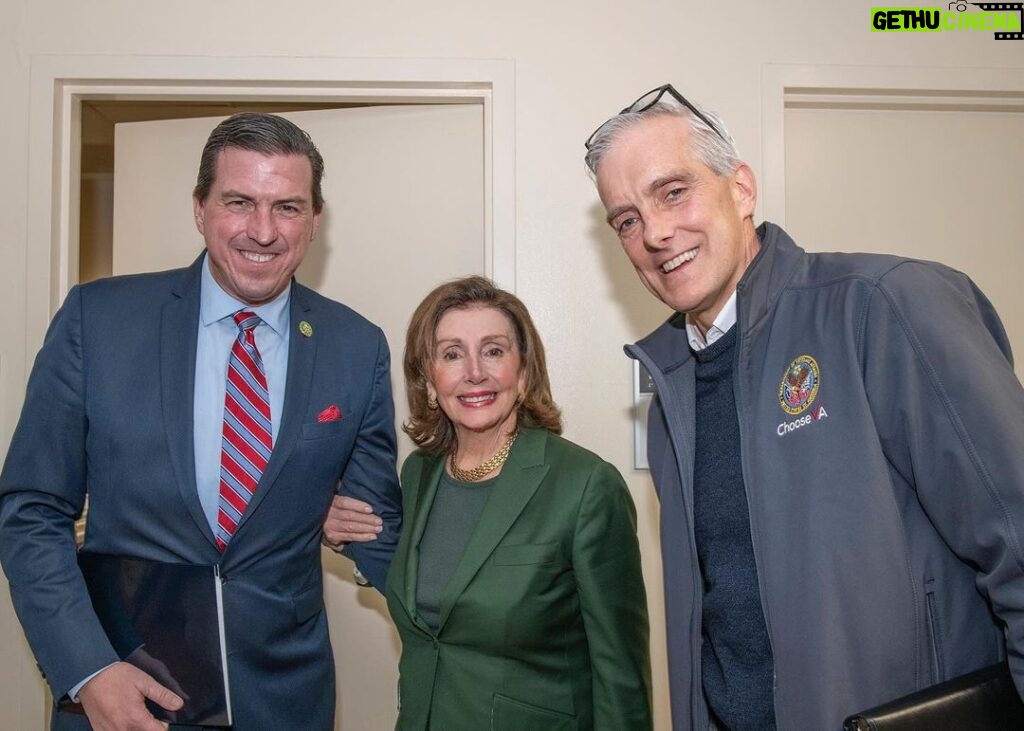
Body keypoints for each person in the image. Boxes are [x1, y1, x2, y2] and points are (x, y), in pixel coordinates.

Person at [584, 84, 1024, 730]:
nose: (653, 231)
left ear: (740, 189)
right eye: (625, 218)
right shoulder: (670, 395)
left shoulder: (883, 307)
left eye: (673, 191)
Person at [0, 112, 402, 730]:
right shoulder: (98, 320)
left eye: (288, 207)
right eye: (239, 201)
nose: (263, 231)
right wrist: (86, 670)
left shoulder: (357, 346)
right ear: (200, 207)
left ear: (316, 220)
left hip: (282, 701)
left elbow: (380, 526)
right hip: (122, 690)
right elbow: (31, 509)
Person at [384, 276, 651, 729]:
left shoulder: (585, 486)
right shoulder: (418, 475)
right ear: (429, 380)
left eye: (493, 350)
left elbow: (620, 679)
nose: (474, 372)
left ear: (523, 373)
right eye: (451, 354)